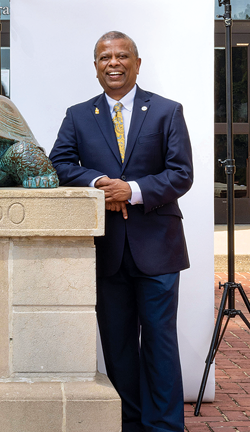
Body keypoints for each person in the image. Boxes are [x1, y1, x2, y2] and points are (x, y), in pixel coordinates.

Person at [49, 31, 193, 432]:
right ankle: (130, 423)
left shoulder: (166, 111)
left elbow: (182, 174)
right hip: (107, 250)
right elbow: (58, 163)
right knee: (119, 345)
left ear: (137, 63)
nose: (113, 63)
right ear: (95, 67)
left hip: (158, 248)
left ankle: (164, 426)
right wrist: (99, 184)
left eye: (122, 56)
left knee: (160, 344)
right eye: (104, 57)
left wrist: (132, 191)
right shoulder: (79, 115)